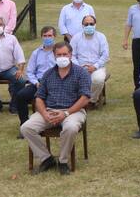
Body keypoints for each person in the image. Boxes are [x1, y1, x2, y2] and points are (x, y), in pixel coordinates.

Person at [21, 41, 91, 175]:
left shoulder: (81, 73)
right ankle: (46, 159)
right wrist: (44, 114)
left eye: (65, 54)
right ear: (54, 56)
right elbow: (39, 98)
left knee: (70, 128)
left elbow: (85, 98)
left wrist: (66, 113)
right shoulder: (48, 74)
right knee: (26, 128)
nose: (62, 57)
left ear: (71, 55)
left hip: (73, 111)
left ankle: (63, 161)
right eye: (59, 55)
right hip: (49, 110)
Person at [16, 26, 58, 127]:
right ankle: (24, 124)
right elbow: (30, 72)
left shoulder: (59, 52)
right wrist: (36, 83)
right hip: (39, 83)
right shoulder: (36, 53)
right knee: (21, 96)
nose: (47, 38)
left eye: (50, 35)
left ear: (54, 36)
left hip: (56, 83)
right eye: (45, 36)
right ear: (41, 37)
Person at [71, 14, 109, 104]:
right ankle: (76, 100)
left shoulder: (101, 37)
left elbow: (105, 55)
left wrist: (95, 66)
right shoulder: (76, 37)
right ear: (82, 25)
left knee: (98, 80)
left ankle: (90, 101)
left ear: (95, 25)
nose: (89, 26)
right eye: (86, 24)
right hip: (79, 67)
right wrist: (79, 67)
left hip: (97, 67)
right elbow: (71, 55)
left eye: (91, 24)